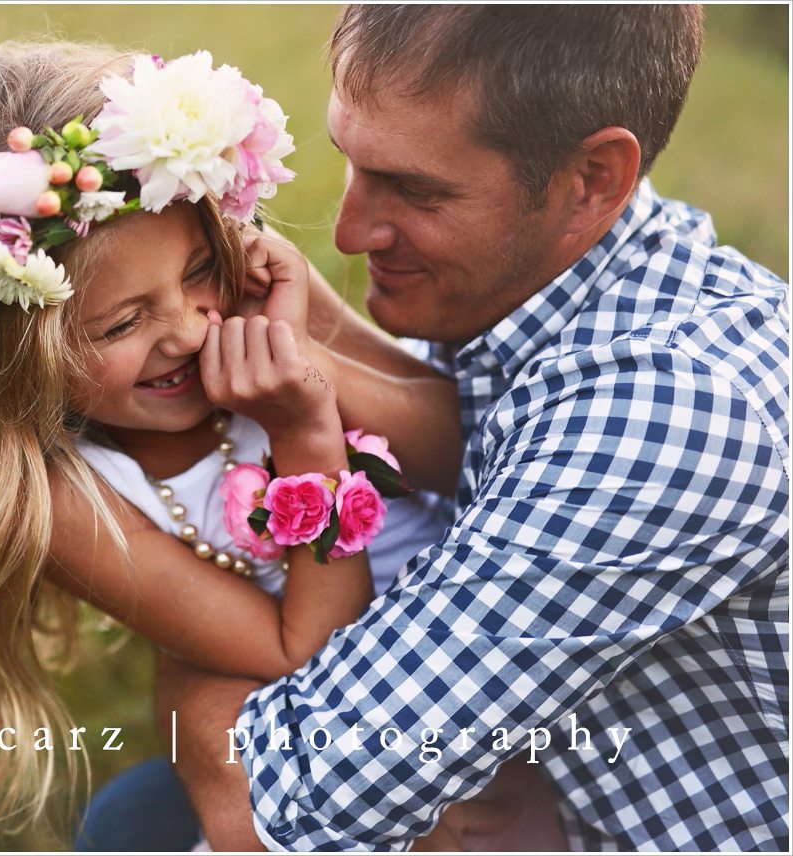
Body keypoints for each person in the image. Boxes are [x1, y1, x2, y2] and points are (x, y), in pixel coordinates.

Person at [159, 5, 790, 851]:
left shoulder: (674, 405)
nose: (348, 232)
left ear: (594, 179)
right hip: (540, 800)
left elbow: (292, 806)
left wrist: (188, 684)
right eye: (353, 162)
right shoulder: (523, 276)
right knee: (136, 811)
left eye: (415, 190)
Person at [0, 40, 477, 848]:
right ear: (21, 360)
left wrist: (303, 361)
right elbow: (306, 652)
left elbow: (476, 449)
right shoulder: (66, 500)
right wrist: (303, 436)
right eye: (122, 323)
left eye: (200, 271)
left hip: (487, 644)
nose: (191, 331)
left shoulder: (260, 290)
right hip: (352, 710)